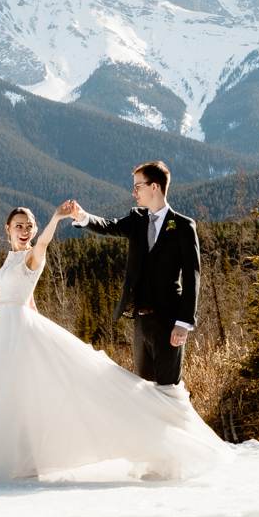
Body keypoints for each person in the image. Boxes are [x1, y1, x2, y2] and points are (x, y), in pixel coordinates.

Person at [0, 202, 229, 481]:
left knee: (28, 389)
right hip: (5, 327)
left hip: (17, 330)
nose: (25, 230)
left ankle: (29, 458)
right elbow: (25, 297)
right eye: (19, 225)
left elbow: (42, 246)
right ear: (7, 229)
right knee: (4, 392)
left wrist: (55, 219)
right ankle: (14, 455)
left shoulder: (31, 255)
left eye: (29, 225)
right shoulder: (10, 258)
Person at [63, 160, 198, 389]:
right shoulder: (137, 219)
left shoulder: (184, 227)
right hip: (140, 321)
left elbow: (193, 276)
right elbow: (108, 225)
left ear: (154, 187)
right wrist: (82, 216)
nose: (133, 192)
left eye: (138, 186)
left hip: (169, 322)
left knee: (168, 389)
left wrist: (183, 323)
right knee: (143, 390)